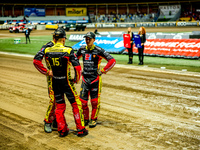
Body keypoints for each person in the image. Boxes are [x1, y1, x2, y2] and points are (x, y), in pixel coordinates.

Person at [33, 27, 88, 137]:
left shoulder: (47, 49)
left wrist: (47, 72)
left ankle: (62, 129)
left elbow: (36, 61)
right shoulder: (68, 50)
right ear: (63, 39)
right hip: (66, 82)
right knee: (75, 104)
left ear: (54, 38)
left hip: (54, 81)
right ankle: (80, 129)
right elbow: (77, 68)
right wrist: (76, 79)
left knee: (59, 105)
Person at [76, 32, 116, 128]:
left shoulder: (99, 50)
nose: (87, 40)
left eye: (89, 38)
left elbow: (112, 61)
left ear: (94, 39)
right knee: (83, 102)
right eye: (86, 38)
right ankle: (85, 119)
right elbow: (74, 59)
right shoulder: (82, 49)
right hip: (85, 79)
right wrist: (78, 70)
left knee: (94, 101)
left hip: (95, 80)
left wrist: (103, 70)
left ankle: (93, 119)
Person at [33, 35, 57, 133]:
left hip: (61, 78)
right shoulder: (48, 46)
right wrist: (46, 72)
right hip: (52, 79)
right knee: (53, 100)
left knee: (60, 100)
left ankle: (56, 120)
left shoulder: (60, 47)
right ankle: (47, 121)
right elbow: (36, 61)